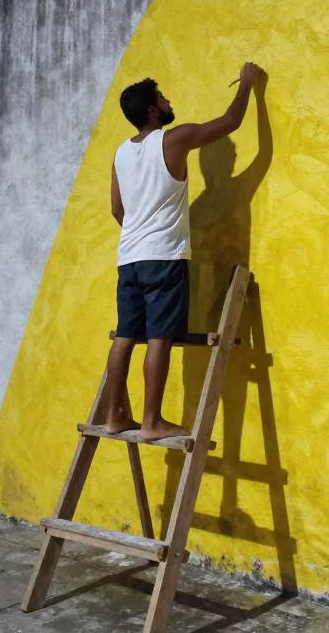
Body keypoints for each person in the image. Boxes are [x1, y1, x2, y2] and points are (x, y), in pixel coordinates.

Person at [105, 62, 263, 440]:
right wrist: (248, 86)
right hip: (163, 260)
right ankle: (151, 421)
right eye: (162, 96)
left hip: (129, 259)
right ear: (152, 110)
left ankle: (113, 416)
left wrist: (139, 235)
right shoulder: (173, 140)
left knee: (126, 335)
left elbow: (117, 210)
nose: (168, 99)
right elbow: (230, 122)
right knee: (159, 338)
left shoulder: (120, 154)